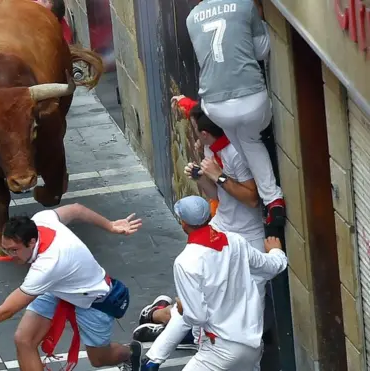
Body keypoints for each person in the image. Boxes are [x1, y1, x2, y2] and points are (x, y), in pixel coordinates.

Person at [135, 97, 272, 370]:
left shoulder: (234, 154)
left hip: (247, 235)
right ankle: (182, 330)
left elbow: (253, 200)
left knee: (248, 300)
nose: (195, 136)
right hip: (222, 226)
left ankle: (168, 321)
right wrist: (202, 178)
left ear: (207, 133)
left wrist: (219, 176)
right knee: (203, 290)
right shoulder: (210, 150)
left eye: (197, 131)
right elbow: (217, 196)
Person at [0, 203, 144, 371]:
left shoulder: (47, 265)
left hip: (94, 302)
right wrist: (111, 225)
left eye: (14, 250)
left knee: (99, 359)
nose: (9, 256)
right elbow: (77, 210)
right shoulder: (41, 220)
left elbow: (7, 310)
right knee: (24, 340)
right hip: (58, 288)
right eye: (5, 249)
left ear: (32, 242)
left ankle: (130, 352)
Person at [131, 195, 287, 370]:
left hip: (219, 349)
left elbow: (196, 316)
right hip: (252, 347)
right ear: (210, 216)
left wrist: (184, 308)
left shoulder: (186, 262)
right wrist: (276, 251)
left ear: (183, 224)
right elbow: (272, 266)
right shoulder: (236, 241)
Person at [186, 0, 286, 228]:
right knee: (250, 140)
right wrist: (260, 20)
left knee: (243, 141)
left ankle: (269, 198)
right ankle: (272, 199)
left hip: (215, 105)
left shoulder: (192, 18)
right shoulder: (244, 4)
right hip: (251, 100)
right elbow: (262, 50)